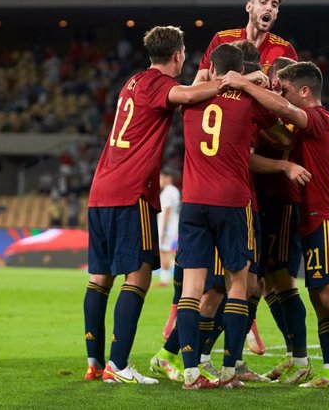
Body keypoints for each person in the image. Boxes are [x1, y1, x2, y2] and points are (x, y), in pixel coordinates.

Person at [222, 62, 329, 391]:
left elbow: (284, 109)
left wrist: (243, 85)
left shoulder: (316, 118)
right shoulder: (319, 124)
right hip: (318, 220)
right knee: (319, 297)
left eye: (284, 88)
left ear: (304, 91)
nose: (280, 93)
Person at [83, 25, 225, 385]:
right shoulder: (162, 86)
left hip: (101, 188)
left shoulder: (132, 82)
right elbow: (189, 96)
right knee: (141, 274)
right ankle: (118, 365)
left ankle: (94, 361)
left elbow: (182, 93)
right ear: (178, 55)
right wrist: (230, 82)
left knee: (99, 278)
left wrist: (199, 82)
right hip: (132, 191)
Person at [175, 43, 293, 389]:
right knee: (240, 283)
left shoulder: (190, 99)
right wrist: (253, 84)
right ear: (238, 71)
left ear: (211, 70)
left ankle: (191, 372)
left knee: (192, 289)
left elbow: (196, 87)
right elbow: (282, 134)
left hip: (194, 202)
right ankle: (229, 371)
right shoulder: (248, 101)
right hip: (233, 201)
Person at [251, 56, 312, 383]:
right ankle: (293, 355)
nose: (270, 83)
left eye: (274, 80)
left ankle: (301, 358)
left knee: (282, 280)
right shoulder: (273, 109)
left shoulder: (289, 113)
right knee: (267, 284)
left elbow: (286, 141)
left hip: (284, 201)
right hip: (264, 200)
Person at [193, 0, 297, 85]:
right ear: (249, 7)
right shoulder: (222, 39)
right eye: (263, 2)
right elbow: (197, 85)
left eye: (274, 5)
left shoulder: (285, 49)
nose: (269, 8)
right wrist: (247, 79)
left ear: (276, 14)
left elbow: (294, 94)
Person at [158, 168, 181, 287]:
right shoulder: (174, 191)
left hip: (167, 226)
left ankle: (164, 280)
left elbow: (166, 211)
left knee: (164, 252)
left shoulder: (168, 192)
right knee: (166, 251)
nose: (160, 181)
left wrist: (162, 229)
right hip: (172, 225)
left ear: (167, 178)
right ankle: (165, 278)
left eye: (161, 178)